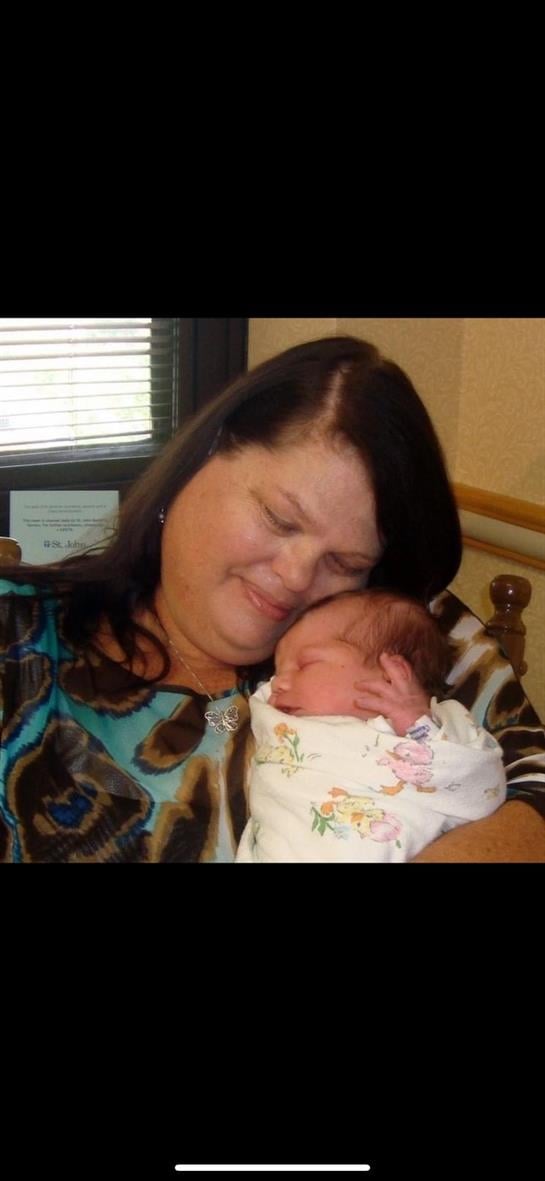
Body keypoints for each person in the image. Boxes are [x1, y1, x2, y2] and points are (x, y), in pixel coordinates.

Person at [0, 335, 544, 862]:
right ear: (201, 459)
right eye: (278, 519)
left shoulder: (389, 628)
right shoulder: (19, 639)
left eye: (345, 563)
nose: (295, 576)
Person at [236, 589, 507, 862]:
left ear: (390, 677)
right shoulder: (278, 718)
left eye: (305, 664)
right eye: (278, 670)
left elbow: (482, 788)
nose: (279, 683)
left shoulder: (431, 730)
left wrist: (419, 726)